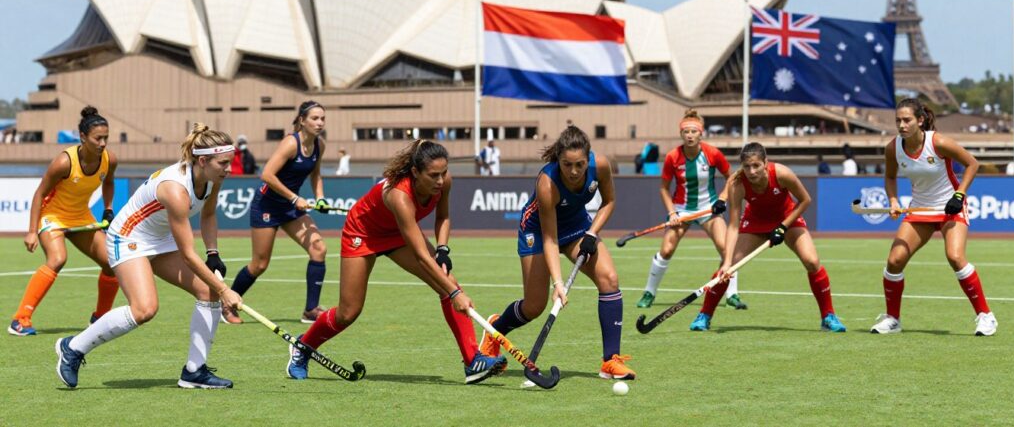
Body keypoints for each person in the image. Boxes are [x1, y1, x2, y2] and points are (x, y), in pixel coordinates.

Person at [286, 140, 507, 384]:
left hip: (396, 233)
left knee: (447, 280)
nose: (441, 180)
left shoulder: (444, 182)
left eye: (444, 173)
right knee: (348, 313)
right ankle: (302, 347)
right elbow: (422, 257)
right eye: (434, 175)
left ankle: (472, 361)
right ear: (415, 172)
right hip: (363, 233)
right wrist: (455, 294)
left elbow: (443, 216)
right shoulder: (400, 196)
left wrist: (443, 249)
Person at [54, 124, 241, 389]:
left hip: (159, 237)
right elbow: (188, 254)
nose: (229, 169)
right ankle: (72, 348)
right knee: (144, 309)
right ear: (203, 160)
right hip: (128, 237)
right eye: (223, 163)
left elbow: (208, 215)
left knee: (206, 292)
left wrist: (213, 254)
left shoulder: (212, 180)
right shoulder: (175, 190)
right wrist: (224, 290)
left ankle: (194, 372)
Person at [480, 126, 635, 381]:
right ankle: (494, 329)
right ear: (558, 160)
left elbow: (609, 202)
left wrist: (592, 233)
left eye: (580, 164)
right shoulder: (547, 183)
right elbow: (551, 239)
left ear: (588, 159)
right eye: (567, 164)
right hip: (538, 231)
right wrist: (558, 283)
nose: (574, 172)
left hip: (577, 226)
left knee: (609, 279)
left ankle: (610, 361)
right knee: (534, 306)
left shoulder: (601, 166)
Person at [689, 142, 846, 333]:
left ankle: (828, 316)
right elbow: (733, 225)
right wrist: (727, 261)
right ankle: (704, 315)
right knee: (727, 268)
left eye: (756, 165)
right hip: (755, 222)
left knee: (812, 261)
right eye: (747, 166)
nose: (752, 171)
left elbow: (805, 200)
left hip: (786, 219)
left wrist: (783, 227)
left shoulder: (781, 174)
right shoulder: (738, 184)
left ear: (765, 162)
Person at [870, 98, 996, 336]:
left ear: (920, 120)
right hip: (920, 210)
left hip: (950, 207)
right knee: (895, 260)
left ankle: (985, 316)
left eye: (907, 120)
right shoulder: (893, 148)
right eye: (898, 120)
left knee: (955, 257)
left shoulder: (937, 142)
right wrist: (894, 201)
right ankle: (892, 319)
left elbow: (972, 164)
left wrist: (959, 195)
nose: (902, 125)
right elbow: (889, 177)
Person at [9, 107, 120, 337]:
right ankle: (20, 320)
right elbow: (39, 194)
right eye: (97, 138)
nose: (102, 143)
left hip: (80, 216)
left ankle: (100, 318)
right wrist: (32, 231)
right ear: (83, 138)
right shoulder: (64, 162)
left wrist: (108, 208)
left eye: (106, 138)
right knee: (58, 258)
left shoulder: (109, 160)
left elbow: (109, 183)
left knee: (112, 262)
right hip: (53, 216)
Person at [221, 101, 330, 325]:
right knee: (259, 264)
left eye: (322, 119)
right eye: (315, 118)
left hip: (290, 208)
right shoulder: (290, 143)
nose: (319, 123)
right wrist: (294, 198)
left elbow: (315, 174)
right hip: (267, 206)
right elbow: (267, 175)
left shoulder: (320, 145)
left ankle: (310, 310)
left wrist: (320, 197)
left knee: (318, 248)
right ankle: (226, 305)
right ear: (302, 120)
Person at [636, 110, 747, 310]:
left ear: (700, 134)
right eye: (685, 131)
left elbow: (733, 178)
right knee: (667, 249)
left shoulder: (712, 154)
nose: (689, 135)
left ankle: (732, 294)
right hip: (682, 210)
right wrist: (672, 213)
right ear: (681, 134)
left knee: (726, 248)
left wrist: (722, 199)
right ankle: (649, 292)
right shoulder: (672, 157)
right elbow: (663, 187)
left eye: (693, 131)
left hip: (709, 208)